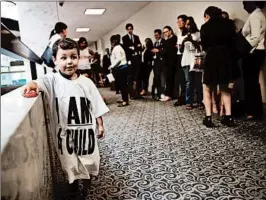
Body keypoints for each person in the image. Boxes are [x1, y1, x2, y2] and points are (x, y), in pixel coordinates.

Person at [22, 38, 109, 199]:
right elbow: (38, 83)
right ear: (55, 60)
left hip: (86, 133)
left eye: (73, 57)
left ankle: (86, 187)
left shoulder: (87, 82)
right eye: (63, 58)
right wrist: (31, 85)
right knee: (70, 163)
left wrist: (100, 125)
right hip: (64, 135)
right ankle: (73, 189)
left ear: (78, 58)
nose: (69, 62)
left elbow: (96, 105)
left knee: (89, 161)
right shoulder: (52, 79)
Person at [200, 6, 237, 127]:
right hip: (225, 58)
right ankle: (228, 117)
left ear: (207, 16)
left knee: (207, 88)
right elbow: (233, 42)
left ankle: (209, 118)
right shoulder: (229, 24)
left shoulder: (205, 27)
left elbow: (204, 46)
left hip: (211, 58)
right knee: (225, 88)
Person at [242, 1, 266, 121]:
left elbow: (255, 37)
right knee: (253, 82)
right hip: (258, 51)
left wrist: (244, 49)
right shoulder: (259, 14)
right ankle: (256, 110)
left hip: (253, 52)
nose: (244, 6)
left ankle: (252, 111)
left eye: (245, 3)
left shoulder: (255, 15)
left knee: (250, 82)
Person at [180, 16, 202, 110]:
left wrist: (191, 40)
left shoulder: (198, 33)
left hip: (195, 60)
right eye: (186, 24)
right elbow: (181, 50)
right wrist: (184, 41)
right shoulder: (183, 34)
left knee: (198, 82)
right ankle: (189, 101)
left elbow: (200, 47)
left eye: (189, 24)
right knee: (189, 82)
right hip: (186, 60)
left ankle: (200, 101)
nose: (188, 26)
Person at [122, 23, 142, 99]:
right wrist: (135, 47)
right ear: (126, 30)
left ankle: (137, 93)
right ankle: (131, 94)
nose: (130, 30)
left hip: (136, 58)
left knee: (137, 75)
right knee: (130, 76)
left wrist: (133, 47)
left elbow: (140, 46)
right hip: (130, 59)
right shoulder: (124, 38)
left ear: (132, 29)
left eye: (131, 28)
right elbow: (126, 48)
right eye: (128, 29)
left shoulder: (136, 37)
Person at [109, 35, 129, 107]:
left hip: (121, 68)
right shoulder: (119, 47)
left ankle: (125, 101)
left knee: (123, 85)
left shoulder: (117, 48)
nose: (111, 43)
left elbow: (118, 59)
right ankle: (124, 98)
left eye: (112, 41)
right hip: (122, 68)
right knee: (122, 85)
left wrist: (111, 66)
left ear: (114, 41)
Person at [160, 26, 177, 102]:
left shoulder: (173, 39)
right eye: (164, 32)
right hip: (167, 62)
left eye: (166, 31)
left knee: (170, 79)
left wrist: (161, 50)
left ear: (170, 31)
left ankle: (169, 95)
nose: (165, 33)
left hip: (173, 62)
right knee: (168, 79)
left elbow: (167, 49)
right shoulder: (167, 40)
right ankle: (169, 94)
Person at [174, 15, 188, 106]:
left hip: (186, 56)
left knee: (187, 79)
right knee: (180, 78)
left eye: (180, 21)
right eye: (177, 21)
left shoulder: (188, 33)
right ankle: (182, 96)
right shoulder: (179, 34)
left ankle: (186, 97)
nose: (178, 23)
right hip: (179, 56)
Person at [151, 29, 166, 101]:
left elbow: (166, 51)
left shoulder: (164, 42)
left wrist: (158, 51)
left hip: (163, 64)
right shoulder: (154, 43)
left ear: (160, 35)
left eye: (157, 35)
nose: (156, 36)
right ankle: (156, 93)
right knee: (156, 79)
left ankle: (161, 93)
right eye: (155, 35)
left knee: (162, 79)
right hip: (156, 64)